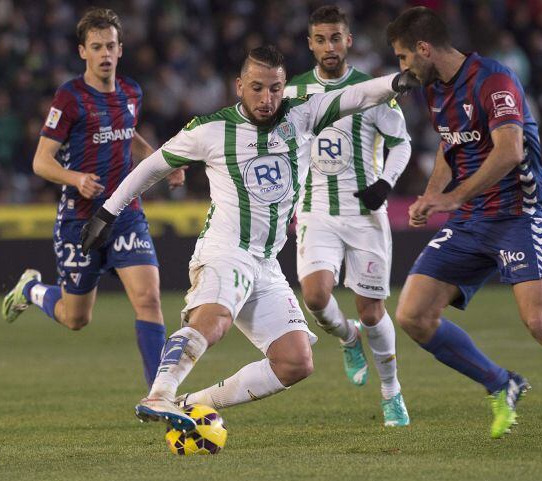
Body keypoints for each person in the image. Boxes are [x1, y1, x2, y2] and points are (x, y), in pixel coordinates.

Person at [80, 45, 418, 431]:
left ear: (284, 86)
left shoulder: (304, 115)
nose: (266, 99)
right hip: (225, 250)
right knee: (216, 320)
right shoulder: (210, 130)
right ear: (239, 85)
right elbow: (153, 166)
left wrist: (395, 82)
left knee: (296, 361)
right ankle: (158, 393)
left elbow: (355, 95)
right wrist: (108, 212)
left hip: (265, 261)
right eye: (256, 88)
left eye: (275, 89)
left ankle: (187, 404)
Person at [385, 7, 542, 452]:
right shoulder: (435, 92)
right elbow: (449, 145)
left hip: (518, 214)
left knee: (541, 321)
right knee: (413, 315)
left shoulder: (494, 79)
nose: (402, 68)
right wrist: (431, 194)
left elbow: (510, 151)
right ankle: (501, 383)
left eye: (402, 57)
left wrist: (452, 198)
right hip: (470, 220)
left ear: (424, 49)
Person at [1, 8, 185, 388]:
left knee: (149, 298)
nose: (105, 53)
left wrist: (162, 164)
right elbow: (41, 161)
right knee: (75, 318)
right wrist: (75, 179)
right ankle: (31, 289)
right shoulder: (70, 98)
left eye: (111, 46)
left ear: (120, 50)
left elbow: (128, 133)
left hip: (125, 213)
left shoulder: (132, 92)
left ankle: (159, 395)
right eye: (97, 46)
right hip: (80, 221)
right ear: (82, 51)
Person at [283, 5, 411, 427]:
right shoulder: (291, 92)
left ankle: (391, 390)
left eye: (335, 38)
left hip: (364, 212)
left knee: (372, 311)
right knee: (316, 297)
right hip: (315, 209)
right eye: (320, 39)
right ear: (310, 44)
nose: (329, 47)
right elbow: (280, 151)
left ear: (348, 40)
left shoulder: (374, 89)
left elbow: (402, 143)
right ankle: (347, 336)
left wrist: (385, 185)